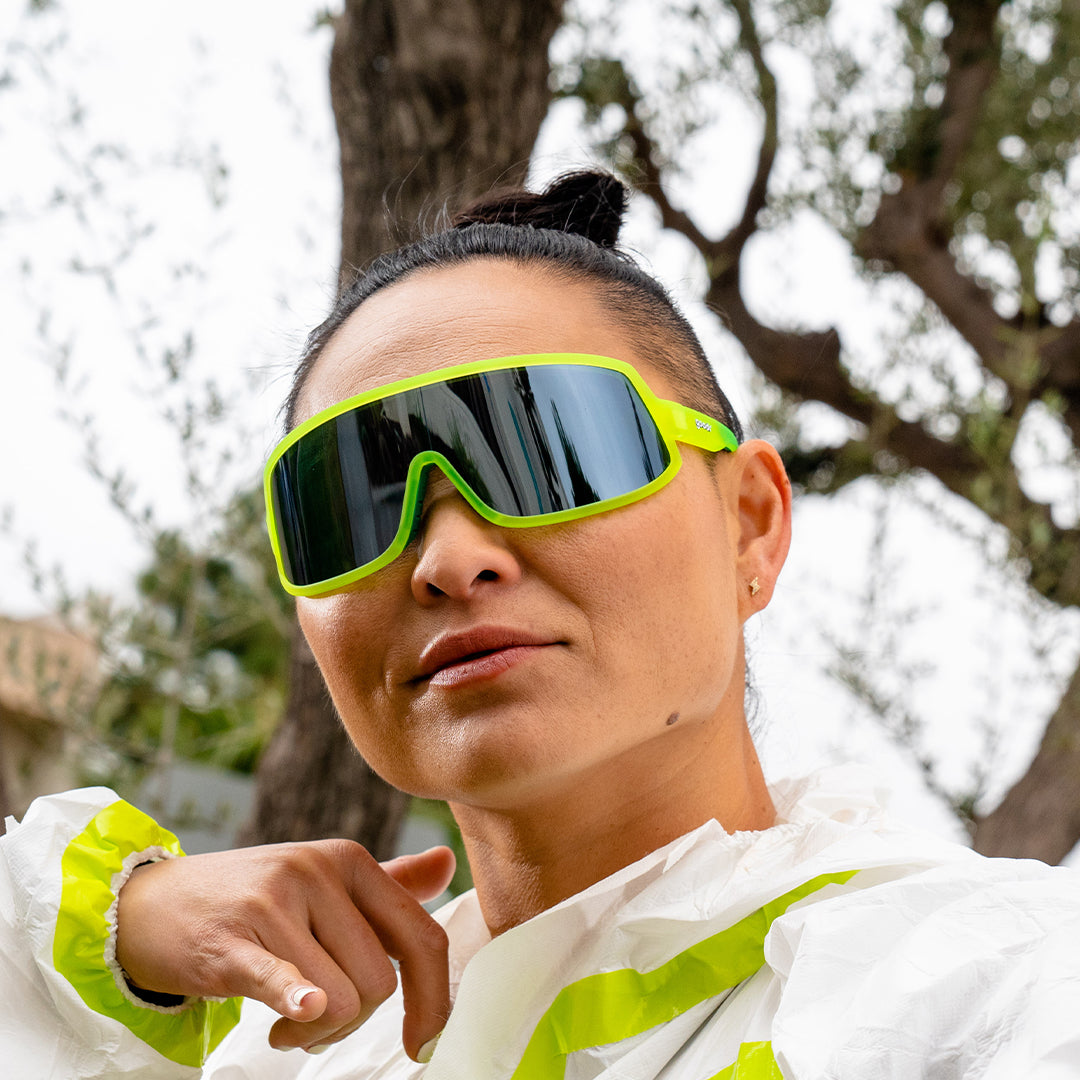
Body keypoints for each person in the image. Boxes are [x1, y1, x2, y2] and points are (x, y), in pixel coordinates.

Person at [3, 170, 1079, 1080]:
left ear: (749, 525)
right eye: (353, 502)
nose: (449, 558)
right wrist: (107, 929)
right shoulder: (295, 1051)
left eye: (547, 450)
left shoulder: (998, 990)